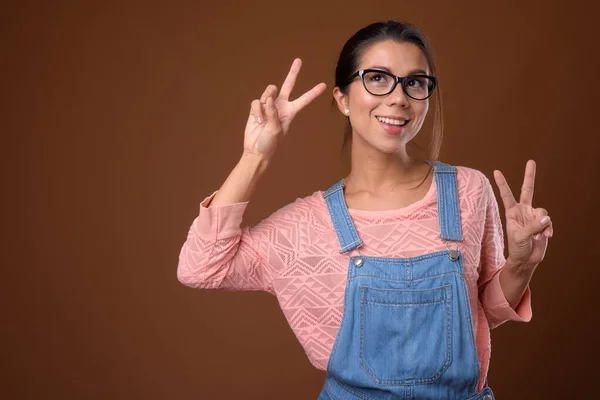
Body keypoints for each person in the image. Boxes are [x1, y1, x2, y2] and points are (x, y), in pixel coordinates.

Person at [177, 20, 553, 400]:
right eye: (377, 78)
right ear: (342, 99)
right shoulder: (305, 227)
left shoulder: (468, 191)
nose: (398, 98)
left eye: (415, 82)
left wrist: (522, 264)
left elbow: (482, 311)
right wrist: (254, 156)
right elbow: (201, 268)